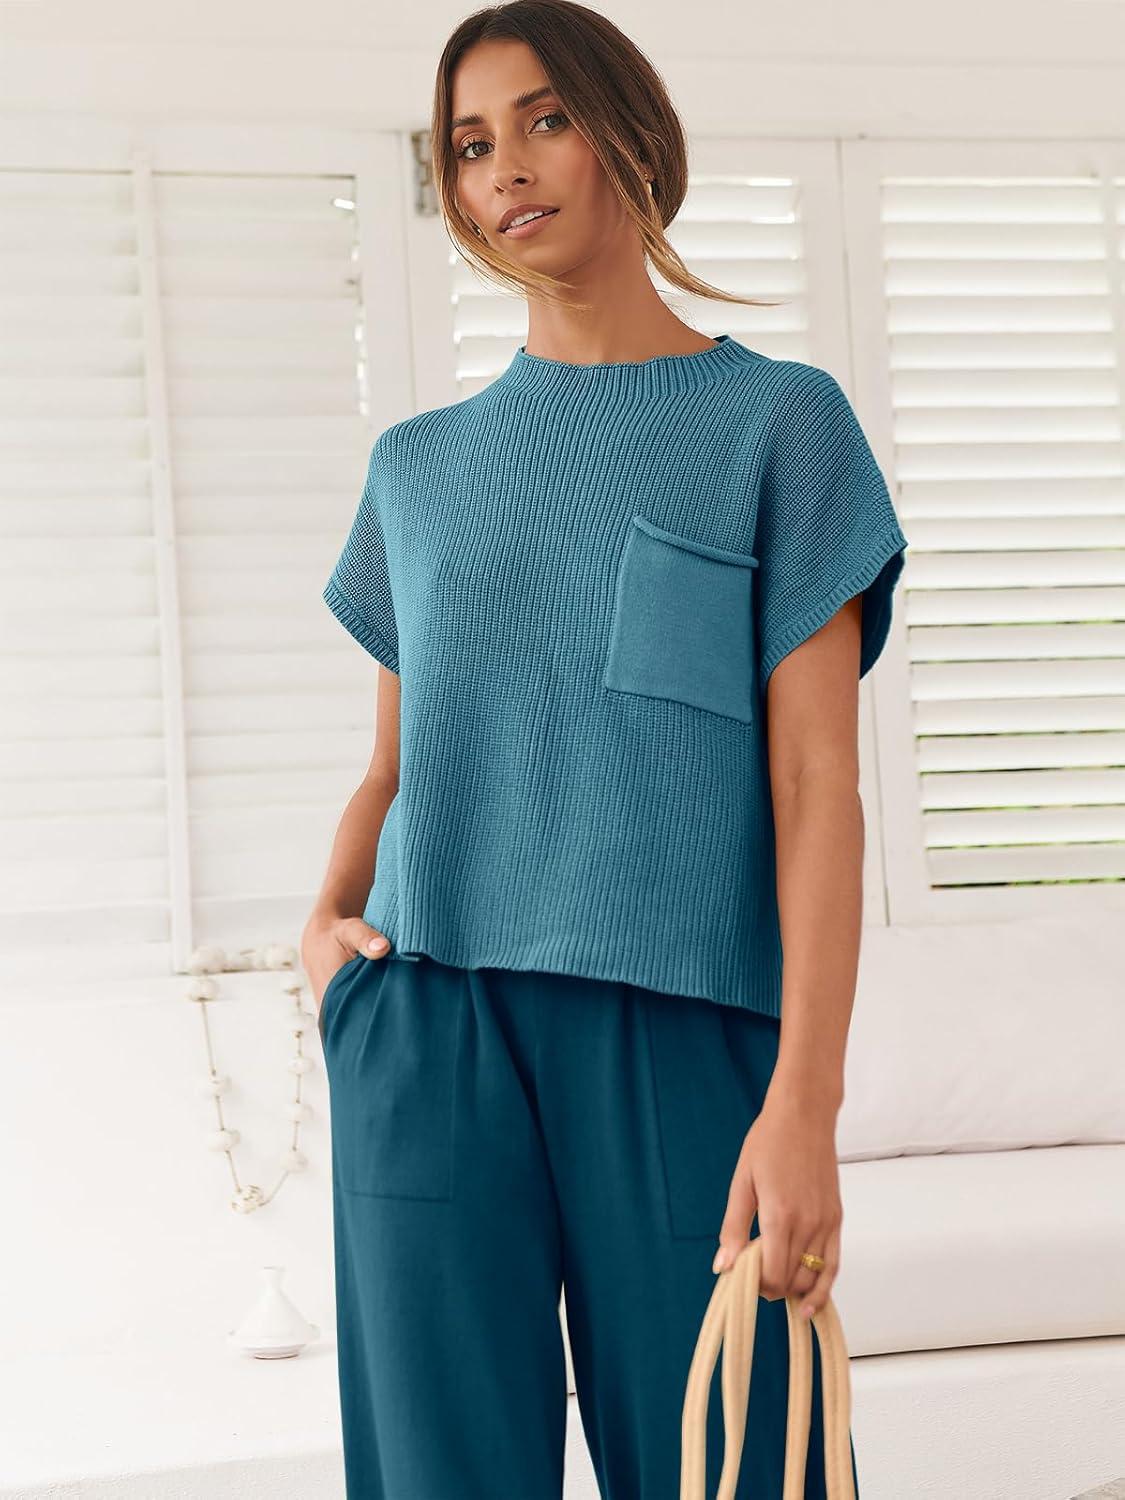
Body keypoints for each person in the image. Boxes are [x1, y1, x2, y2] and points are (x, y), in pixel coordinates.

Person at [301, 2, 908, 1496]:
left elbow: (815, 788)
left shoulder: (779, 426)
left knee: (739, 1467)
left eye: (545, 119)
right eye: (468, 144)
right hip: (431, 1026)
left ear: (631, 136)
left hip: (683, 1034)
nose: (504, 166)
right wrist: (324, 935)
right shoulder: (416, 470)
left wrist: (806, 1104)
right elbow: (393, 765)